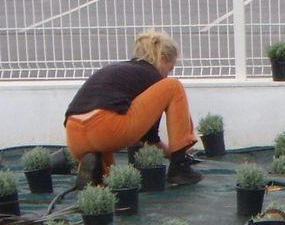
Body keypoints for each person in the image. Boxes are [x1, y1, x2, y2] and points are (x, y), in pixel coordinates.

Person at [64, 29, 202, 187]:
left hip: (74, 135)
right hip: (106, 129)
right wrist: (176, 154)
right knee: (173, 86)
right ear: (163, 59)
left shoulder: (121, 71)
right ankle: (180, 167)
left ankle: (96, 171)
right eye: (169, 69)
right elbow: (149, 138)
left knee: (110, 179)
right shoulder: (153, 77)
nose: (167, 74)